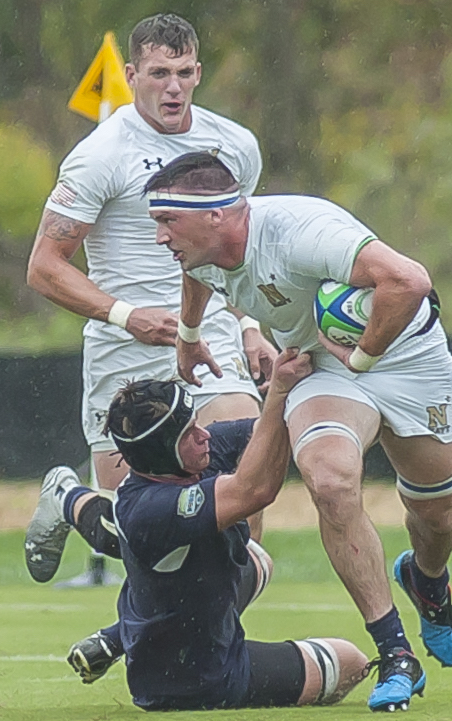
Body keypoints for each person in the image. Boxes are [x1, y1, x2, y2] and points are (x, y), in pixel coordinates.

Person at [145, 151, 452, 712]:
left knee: (436, 515)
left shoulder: (299, 232)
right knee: (330, 479)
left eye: (168, 222)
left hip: (408, 358)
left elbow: (410, 282)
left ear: (217, 214)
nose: (160, 237)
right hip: (317, 363)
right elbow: (194, 275)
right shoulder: (203, 250)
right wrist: (189, 333)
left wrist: (362, 359)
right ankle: (395, 652)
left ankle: (428, 581)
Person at [26, 13, 275, 586]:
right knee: (132, 536)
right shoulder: (100, 154)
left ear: (199, 73)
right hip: (124, 348)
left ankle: (212, 653)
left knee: (245, 488)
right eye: (160, 73)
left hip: (206, 334)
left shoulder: (234, 146)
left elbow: (235, 251)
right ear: (132, 74)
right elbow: (43, 266)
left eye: (185, 73)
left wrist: (250, 327)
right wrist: (126, 315)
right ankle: (68, 498)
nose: (174, 87)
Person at [26, 351, 372, 711]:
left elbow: (266, 433)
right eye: (189, 432)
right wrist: (279, 394)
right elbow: (256, 490)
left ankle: (116, 631)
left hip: (184, 618)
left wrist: (310, 397)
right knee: (353, 662)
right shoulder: (151, 509)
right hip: (195, 678)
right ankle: (123, 628)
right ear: (162, 452)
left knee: (258, 559)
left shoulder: (187, 458)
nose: (204, 434)